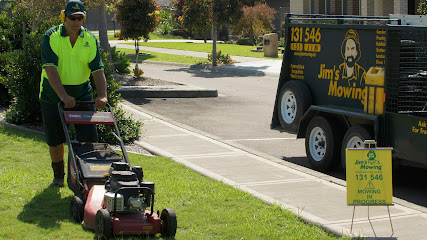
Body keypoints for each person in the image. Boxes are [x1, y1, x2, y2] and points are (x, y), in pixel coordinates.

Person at [40, 0, 108, 187]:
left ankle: (87, 177)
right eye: (72, 17)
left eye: (80, 18)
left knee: (88, 138)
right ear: (64, 17)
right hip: (53, 94)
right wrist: (63, 96)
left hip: (82, 93)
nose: (76, 21)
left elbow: (97, 69)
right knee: (55, 139)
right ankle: (58, 176)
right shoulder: (51, 36)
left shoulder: (89, 39)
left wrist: (102, 95)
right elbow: (50, 69)